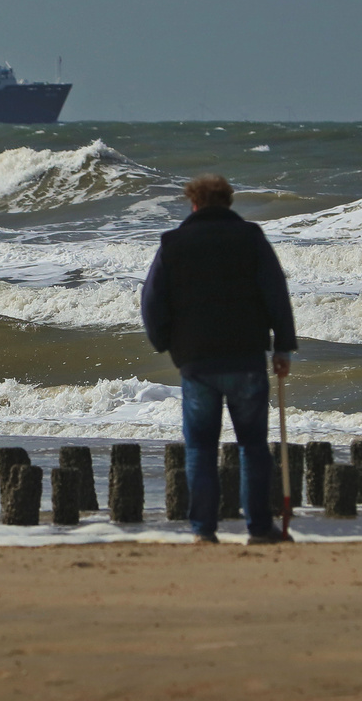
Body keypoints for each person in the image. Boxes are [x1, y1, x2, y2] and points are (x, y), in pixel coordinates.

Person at [140, 173, 297, 544]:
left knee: (200, 449)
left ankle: (203, 532)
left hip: (197, 362)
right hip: (246, 361)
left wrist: (166, 344)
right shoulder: (250, 238)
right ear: (228, 202)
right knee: (252, 447)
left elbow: (151, 302)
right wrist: (283, 347)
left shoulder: (173, 243)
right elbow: (276, 292)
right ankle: (259, 529)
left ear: (193, 204)